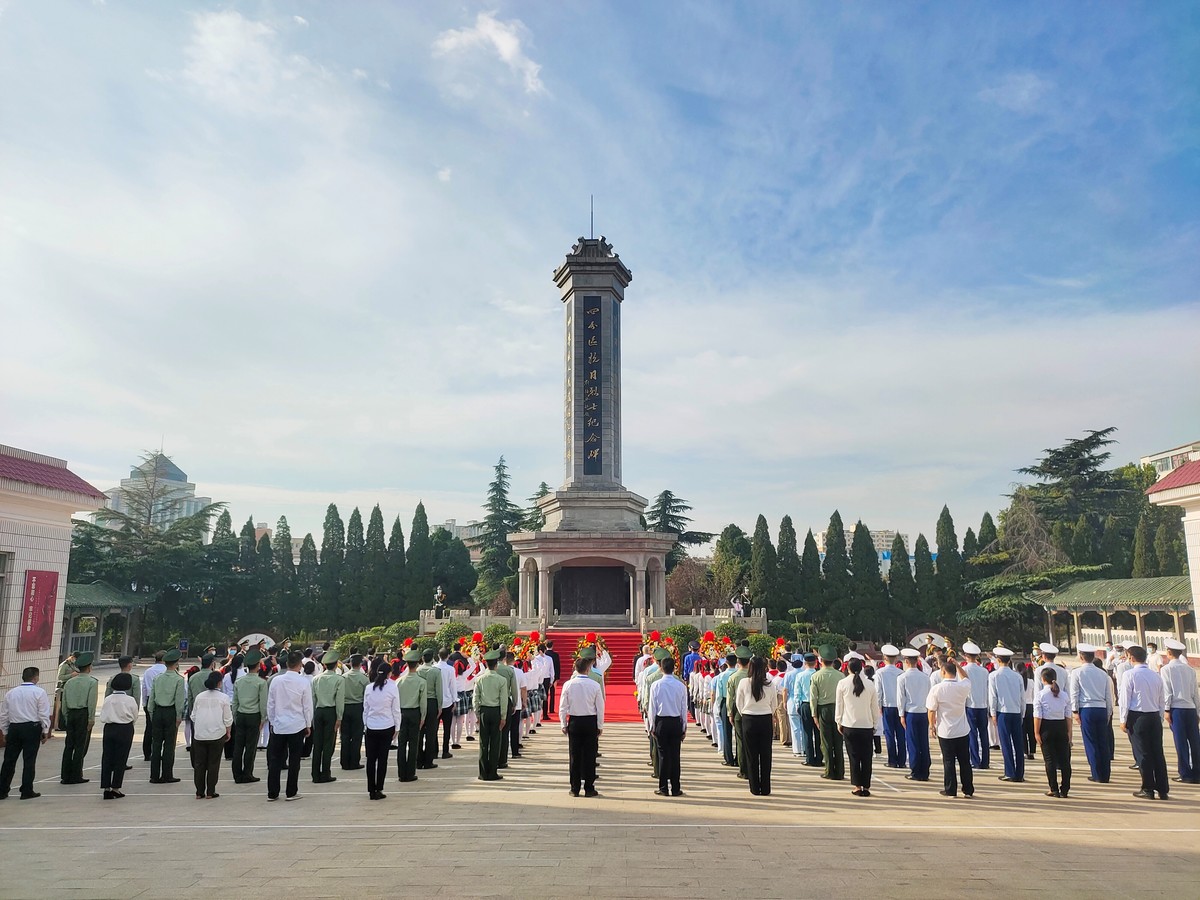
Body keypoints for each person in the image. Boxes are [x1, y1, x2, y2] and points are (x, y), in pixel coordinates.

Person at [1121, 645, 1170, 800]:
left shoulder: (1130, 674)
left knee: (1143, 753)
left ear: (1131, 658)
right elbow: (1162, 700)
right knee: (1157, 752)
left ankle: (1148, 788)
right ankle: (1163, 789)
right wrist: (1160, 717)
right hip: (1154, 716)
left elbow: (1125, 700)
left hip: (1138, 716)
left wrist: (1123, 719)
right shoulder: (1155, 675)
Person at [266, 650, 313, 802]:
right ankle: (291, 792)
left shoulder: (276, 681)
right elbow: (307, 706)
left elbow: (270, 704)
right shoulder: (303, 682)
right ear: (300, 665)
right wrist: (308, 724)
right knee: (294, 760)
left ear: (286, 664)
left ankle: (272, 792)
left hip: (279, 725)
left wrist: (272, 722)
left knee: (275, 760)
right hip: (297, 725)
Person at [0, 666, 52, 800]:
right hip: (31, 728)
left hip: (14, 728)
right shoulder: (39, 692)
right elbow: (43, 713)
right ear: (36, 678)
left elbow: (4, 714)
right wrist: (45, 730)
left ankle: (2, 789)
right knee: (29, 760)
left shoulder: (11, 693)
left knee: (9, 760)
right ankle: (26, 789)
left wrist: (5, 731)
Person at [927, 660, 974, 799]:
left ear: (943, 672)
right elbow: (966, 678)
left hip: (945, 731)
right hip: (962, 730)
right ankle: (968, 789)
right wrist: (958, 665)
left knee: (948, 761)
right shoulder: (962, 686)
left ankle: (950, 790)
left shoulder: (937, 688)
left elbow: (931, 710)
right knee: (965, 761)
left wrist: (931, 725)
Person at [835, 656, 881, 797]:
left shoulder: (842, 683)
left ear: (847, 668)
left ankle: (856, 786)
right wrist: (875, 724)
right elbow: (874, 707)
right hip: (866, 726)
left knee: (853, 757)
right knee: (867, 757)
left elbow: (839, 706)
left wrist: (839, 721)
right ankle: (866, 786)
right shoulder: (870, 684)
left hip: (849, 725)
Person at [559, 656, 604, 797]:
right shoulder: (595, 685)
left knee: (574, 756)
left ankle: (575, 788)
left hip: (575, 722)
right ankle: (589, 787)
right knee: (590, 756)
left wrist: (563, 724)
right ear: (588, 669)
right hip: (590, 721)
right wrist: (600, 725)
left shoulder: (568, 684)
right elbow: (600, 708)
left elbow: (562, 707)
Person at [1070, 643, 1114, 784]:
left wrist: (1075, 711)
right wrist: (1109, 712)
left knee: (1091, 742)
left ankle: (1096, 774)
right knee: (1103, 742)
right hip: (1101, 709)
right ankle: (1105, 774)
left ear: (1081, 656)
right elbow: (1108, 696)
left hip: (1087, 709)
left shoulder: (1077, 672)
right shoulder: (1102, 673)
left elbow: (1074, 693)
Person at [736, 656, 779, 796]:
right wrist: (768, 713)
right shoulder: (769, 684)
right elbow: (774, 704)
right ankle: (766, 787)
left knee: (751, 754)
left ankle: (754, 787)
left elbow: (739, 703)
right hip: (765, 719)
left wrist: (745, 713)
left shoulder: (744, 682)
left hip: (749, 719)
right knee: (766, 755)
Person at [647, 655, 687, 797]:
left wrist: (651, 726)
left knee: (663, 756)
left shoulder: (656, 685)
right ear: (674, 668)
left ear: (661, 668)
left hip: (661, 722)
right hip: (676, 722)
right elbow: (684, 708)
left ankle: (663, 787)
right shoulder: (681, 685)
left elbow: (652, 707)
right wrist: (684, 727)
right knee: (675, 756)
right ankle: (675, 788)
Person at [1160, 638, 1200, 784]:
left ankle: (1185, 773)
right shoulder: (1189, 669)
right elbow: (1195, 692)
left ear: (1169, 653)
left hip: (1177, 709)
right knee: (1195, 742)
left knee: (1181, 742)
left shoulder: (1166, 669)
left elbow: (1167, 691)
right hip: (1190, 708)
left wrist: (1166, 709)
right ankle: (1197, 772)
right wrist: (1198, 712)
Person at [362, 658, 402, 800]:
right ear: (389, 673)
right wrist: (397, 726)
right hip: (387, 726)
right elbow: (396, 709)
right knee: (382, 759)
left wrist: (366, 724)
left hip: (371, 727)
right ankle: (379, 787)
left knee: (371, 759)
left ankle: (371, 789)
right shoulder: (392, 687)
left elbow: (365, 709)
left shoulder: (369, 688)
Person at [147, 649, 186, 784]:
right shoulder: (178, 679)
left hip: (158, 711)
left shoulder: (157, 678)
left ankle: (154, 775)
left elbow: (151, 699)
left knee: (156, 744)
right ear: (176, 663)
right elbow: (179, 700)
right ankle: (167, 774)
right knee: (169, 745)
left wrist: (152, 713)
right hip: (170, 712)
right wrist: (178, 716)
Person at [191, 671, 233, 799]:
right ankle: (210, 791)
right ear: (219, 683)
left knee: (199, 764)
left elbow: (193, 716)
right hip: (217, 734)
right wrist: (228, 731)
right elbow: (227, 718)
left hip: (200, 735)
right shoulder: (223, 698)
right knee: (213, 763)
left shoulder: (199, 696)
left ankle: (199, 792)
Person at [988, 646, 1026, 783]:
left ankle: (1010, 772)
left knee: (1006, 743)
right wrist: (1022, 713)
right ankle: (1020, 773)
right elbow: (1022, 697)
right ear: (1009, 661)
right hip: (1016, 712)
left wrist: (992, 713)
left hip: (1002, 712)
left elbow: (993, 697)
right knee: (1018, 744)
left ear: (998, 660)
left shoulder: (994, 676)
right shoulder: (1017, 676)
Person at [59, 651, 98, 785]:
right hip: (83, 714)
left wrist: (65, 716)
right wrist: (91, 719)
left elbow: (63, 703)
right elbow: (91, 702)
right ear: (89, 667)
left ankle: (65, 775)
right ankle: (76, 774)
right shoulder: (92, 682)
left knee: (69, 745)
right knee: (80, 746)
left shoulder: (70, 682)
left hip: (70, 714)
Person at [1034, 667, 1072, 798]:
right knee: (1065, 760)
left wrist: (1036, 733)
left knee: (1049, 760)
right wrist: (1069, 733)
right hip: (1061, 726)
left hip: (1047, 727)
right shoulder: (1064, 695)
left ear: (1043, 679)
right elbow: (1068, 716)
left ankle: (1053, 788)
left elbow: (1038, 716)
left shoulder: (1040, 695)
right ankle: (1065, 788)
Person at [98, 671, 138, 799]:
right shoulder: (130, 699)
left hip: (109, 728)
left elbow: (103, 715)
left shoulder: (108, 699)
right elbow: (135, 715)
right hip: (125, 728)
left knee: (107, 758)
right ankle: (116, 787)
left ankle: (106, 787)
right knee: (121, 759)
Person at [231, 650, 269, 783]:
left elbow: (234, 702)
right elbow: (263, 703)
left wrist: (235, 716)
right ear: (258, 665)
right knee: (251, 746)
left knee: (238, 746)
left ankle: (237, 774)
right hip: (254, 716)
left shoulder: (239, 681)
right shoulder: (261, 682)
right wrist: (263, 718)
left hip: (241, 715)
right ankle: (247, 773)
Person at [810, 645, 846, 781]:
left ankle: (829, 770)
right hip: (838, 708)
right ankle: (840, 771)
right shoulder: (841, 675)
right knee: (838, 741)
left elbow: (813, 697)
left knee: (826, 742)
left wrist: (814, 714)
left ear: (821, 660)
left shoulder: (816, 676)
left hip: (823, 709)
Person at [473, 650, 509, 782]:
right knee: (495, 742)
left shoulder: (480, 679)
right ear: (496, 665)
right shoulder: (502, 680)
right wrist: (503, 717)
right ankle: (492, 772)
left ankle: (483, 772)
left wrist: (477, 713)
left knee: (483, 743)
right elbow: (503, 700)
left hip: (484, 711)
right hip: (495, 712)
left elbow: (475, 698)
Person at [310, 650, 344, 784]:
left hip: (318, 711)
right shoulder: (339, 679)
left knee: (317, 743)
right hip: (331, 712)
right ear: (336, 665)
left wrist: (312, 716)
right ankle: (325, 773)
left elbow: (313, 699)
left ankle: (315, 774)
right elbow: (339, 700)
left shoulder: (316, 679)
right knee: (328, 744)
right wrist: (339, 718)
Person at [898, 648, 931, 781]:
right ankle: (925, 769)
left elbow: (901, 698)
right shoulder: (925, 677)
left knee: (912, 743)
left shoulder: (902, 678)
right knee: (924, 742)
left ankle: (916, 770)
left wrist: (901, 714)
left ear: (906, 661)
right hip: (923, 712)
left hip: (910, 713)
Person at [396, 650, 428, 783]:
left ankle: (401, 773)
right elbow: (423, 702)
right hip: (415, 713)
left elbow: (395, 701)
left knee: (401, 744)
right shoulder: (421, 682)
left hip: (402, 713)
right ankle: (410, 772)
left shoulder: (399, 681)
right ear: (417, 664)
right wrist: (423, 717)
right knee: (414, 744)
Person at [960, 642, 991, 770]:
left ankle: (975, 760)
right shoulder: (984, 671)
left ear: (966, 656)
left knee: (972, 734)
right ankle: (985, 761)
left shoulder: (964, 670)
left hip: (970, 705)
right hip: (982, 705)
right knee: (984, 734)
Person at [876, 644, 905, 769]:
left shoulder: (880, 673)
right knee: (901, 734)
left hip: (887, 706)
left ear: (884, 658)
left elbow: (878, 692)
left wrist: (878, 706)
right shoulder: (901, 673)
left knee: (889, 734)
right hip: (900, 706)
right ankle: (902, 760)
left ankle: (892, 760)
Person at [340, 654, 369, 771]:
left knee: (345, 736)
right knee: (357, 736)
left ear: (350, 664)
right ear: (360, 664)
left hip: (345, 707)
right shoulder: (364, 678)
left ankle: (344, 762)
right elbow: (366, 696)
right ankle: (354, 761)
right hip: (358, 707)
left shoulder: (343, 677)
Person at [416, 650, 443, 770]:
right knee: (431, 733)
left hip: (419, 702)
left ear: (422, 658)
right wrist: (440, 706)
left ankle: (418, 759)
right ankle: (428, 761)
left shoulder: (417, 671)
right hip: (432, 702)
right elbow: (439, 690)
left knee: (419, 733)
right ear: (432, 658)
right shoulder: (436, 671)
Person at [713, 652, 738, 767]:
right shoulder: (739, 674)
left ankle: (728, 758)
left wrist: (717, 706)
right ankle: (739, 757)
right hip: (738, 703)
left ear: (726, 663)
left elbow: (718, 694)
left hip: (724, 701)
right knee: (739, 732)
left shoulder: (721, 676)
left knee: (726, 731)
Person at [437, 647, 458, 759]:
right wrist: (455, 700)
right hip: (448, 701)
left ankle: (434, 750)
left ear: (438, 655)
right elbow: (453, 686)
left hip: (437, 702)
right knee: (447, 728)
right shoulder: (450, 669)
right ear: (448, 656)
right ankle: (445, 751)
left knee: (434, 728)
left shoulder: (434, 667)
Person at [544, 641, 561, 716]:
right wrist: (557, 677)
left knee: (545, 693)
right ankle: (551, 709)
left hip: (546, 676)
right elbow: (558, 666)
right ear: (552, 646)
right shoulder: (555, 655)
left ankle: (544, 709)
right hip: (553, 675)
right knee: (552, 693)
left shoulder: (544, 655)